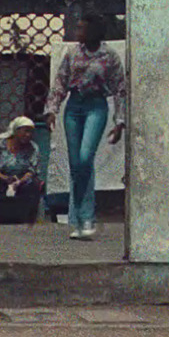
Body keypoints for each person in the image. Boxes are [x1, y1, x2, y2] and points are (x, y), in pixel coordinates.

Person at [44, 12, 125, 240]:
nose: (77, 32)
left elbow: (120, 88)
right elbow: (60, 82)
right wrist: (52, 110)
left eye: (82, 28)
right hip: (74, 106)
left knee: (85, 157)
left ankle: (86, 217)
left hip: (96, 106)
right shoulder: (72, 53)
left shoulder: (109, 55)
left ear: (94, 31)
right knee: (76, 165)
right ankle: (78, 220)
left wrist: (120, 122)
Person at [0, 115, 44, 223]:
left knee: (32, 185)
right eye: (25, 131)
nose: (28, 135)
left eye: (31, 132)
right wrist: (5, 178)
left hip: (22, 181)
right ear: (16, 131)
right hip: (2, 180)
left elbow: (32, 171)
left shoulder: (33, 148)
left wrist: (19, 181)